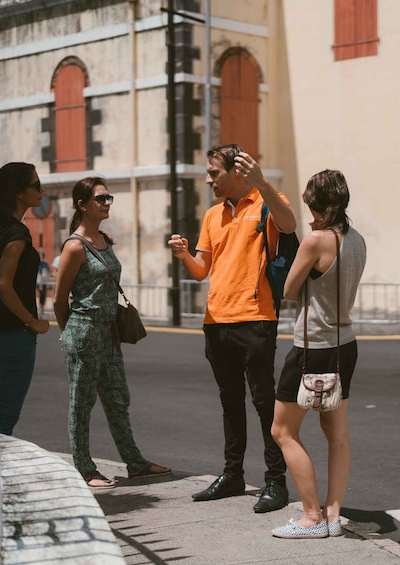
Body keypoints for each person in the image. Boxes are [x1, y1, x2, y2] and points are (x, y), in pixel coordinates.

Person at [168, 145, 297, 512]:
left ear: (237, 172)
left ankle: (275, 481)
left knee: (263, 401)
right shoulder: (212, 216)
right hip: (216, 320)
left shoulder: (267, 201)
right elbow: (201, 270)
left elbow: (288, 224)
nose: (209, 179)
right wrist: (182, 255)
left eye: (214, 173)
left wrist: (263, 182)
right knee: (229, 401)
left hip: (256, 317)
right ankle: (233, 475)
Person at [54, 177, 171, 489]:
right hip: (84, 331)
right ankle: (84, 468)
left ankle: (135, 463)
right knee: (82, 402)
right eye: (100, 198)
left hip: (108, 333)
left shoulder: (103, 239)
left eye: (109, 198)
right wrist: (70, 335)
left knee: (118, 397)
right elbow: (58, 299)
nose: (106, 203)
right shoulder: (75, 246)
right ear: (82, 205)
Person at [269, 170, 367, 539]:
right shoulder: (356, 240)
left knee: (282, 429)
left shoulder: (316, 241)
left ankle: (311, 517)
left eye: (312, 205)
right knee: (336, 432)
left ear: (328, 207)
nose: (309, 213)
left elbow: (290, 291)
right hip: (346, 343)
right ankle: (334, 515)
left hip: (313, 347)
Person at [0, 162, 51, 436]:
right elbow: (3, 285)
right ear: (19, 192)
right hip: (14, 333)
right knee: (5, 415)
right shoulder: (17, 233)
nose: (41, 191)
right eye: (35, 186)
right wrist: (32, 321)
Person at [36, 252, 51, 317]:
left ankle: (41, 308)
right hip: (37, 281)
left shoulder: (45, 263)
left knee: (43, 295)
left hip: (44, 282)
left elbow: (48, 271)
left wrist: (49, 279)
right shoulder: (36, 263)